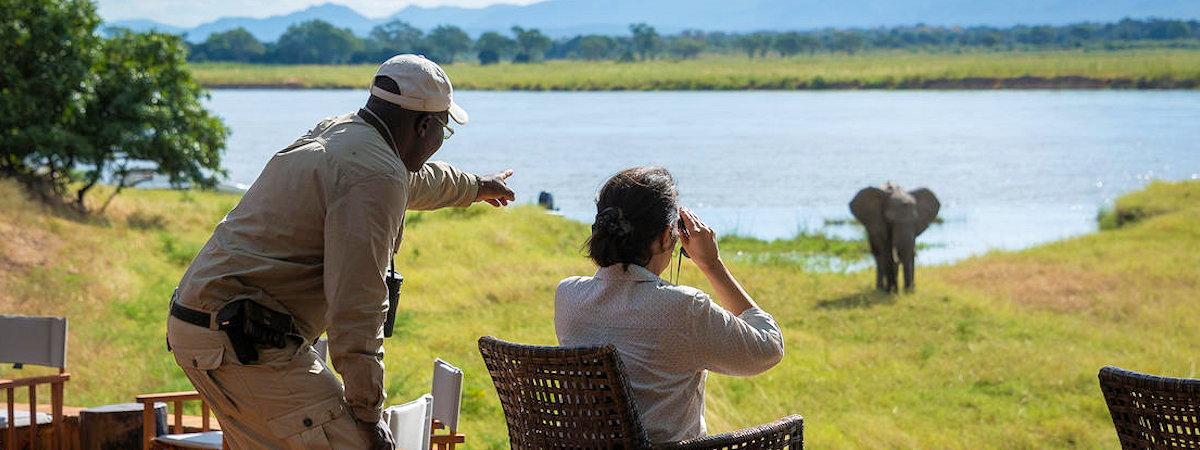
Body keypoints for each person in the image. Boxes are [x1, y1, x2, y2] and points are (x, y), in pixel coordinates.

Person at [165, 54, 515, 449]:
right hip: (241, 341)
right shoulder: (374, 175)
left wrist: (475, 186)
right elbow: (357, 304)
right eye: (443, 131)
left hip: (204, 327)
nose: (439, 142)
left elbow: (410, 180)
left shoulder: (346, 134)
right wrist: (368, 415)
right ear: (423, 125)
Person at [555, 166, 785, 443]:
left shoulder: (568, 297)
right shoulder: (683, 309)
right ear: (667, 236)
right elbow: (768, 348)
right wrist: (711, 264)